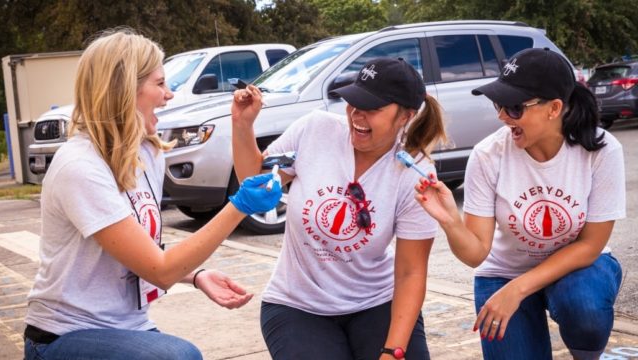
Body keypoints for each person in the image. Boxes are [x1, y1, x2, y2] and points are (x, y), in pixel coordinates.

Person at [23, 29, 282, 360]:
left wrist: (197, 275)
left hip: (128, 327)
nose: (169, 94)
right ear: (123, 91)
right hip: (62, 335)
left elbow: (143, 253)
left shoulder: (147, 153)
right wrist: (240, 206)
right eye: (160, 84)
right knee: (178, 356)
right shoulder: (79, 166)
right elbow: (159, 270)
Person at [231, 57, 447, 360]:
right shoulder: (314, 129)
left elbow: (411, 272)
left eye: (372, 109)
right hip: (297, 305)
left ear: (406, 116)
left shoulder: (414, 171)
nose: (357, 115)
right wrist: (242, 125)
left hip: (377, 302)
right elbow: (252, 183)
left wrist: (392, 351)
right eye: (354, 103)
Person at [415, 48, 625, 360]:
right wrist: (450, 221)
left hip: (580, 268)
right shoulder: (488, 156)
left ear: (554, 108)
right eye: (498, 104)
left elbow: (591, 245)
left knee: (582, 303)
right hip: (503, 272)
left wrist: (519, 288)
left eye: (513, 107)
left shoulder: (601, 149)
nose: (501, 115)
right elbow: (475, 254)